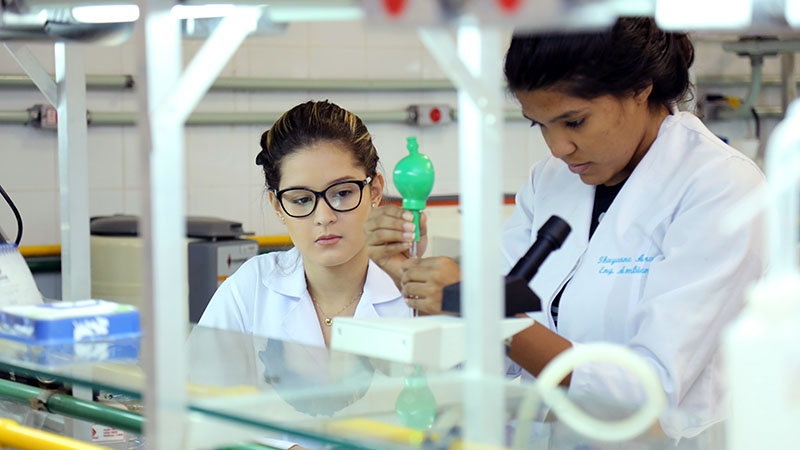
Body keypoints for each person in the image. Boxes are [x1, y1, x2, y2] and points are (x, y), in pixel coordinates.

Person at [364, 17, 765, 440]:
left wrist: (485, 310)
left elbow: (646, 392)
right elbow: (495, 357)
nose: (558, 148)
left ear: (640, 88)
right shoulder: (551, 180)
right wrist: (415, 281)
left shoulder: (719, 186)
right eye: (540, 125)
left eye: (574, 122)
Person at [199, 100, 412, 349]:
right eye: (301, 199)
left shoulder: (414, 294)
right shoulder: (250, 290)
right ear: (278, 206)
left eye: (342, 193)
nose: (324, 217)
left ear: (374, 191)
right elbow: (195, 385)